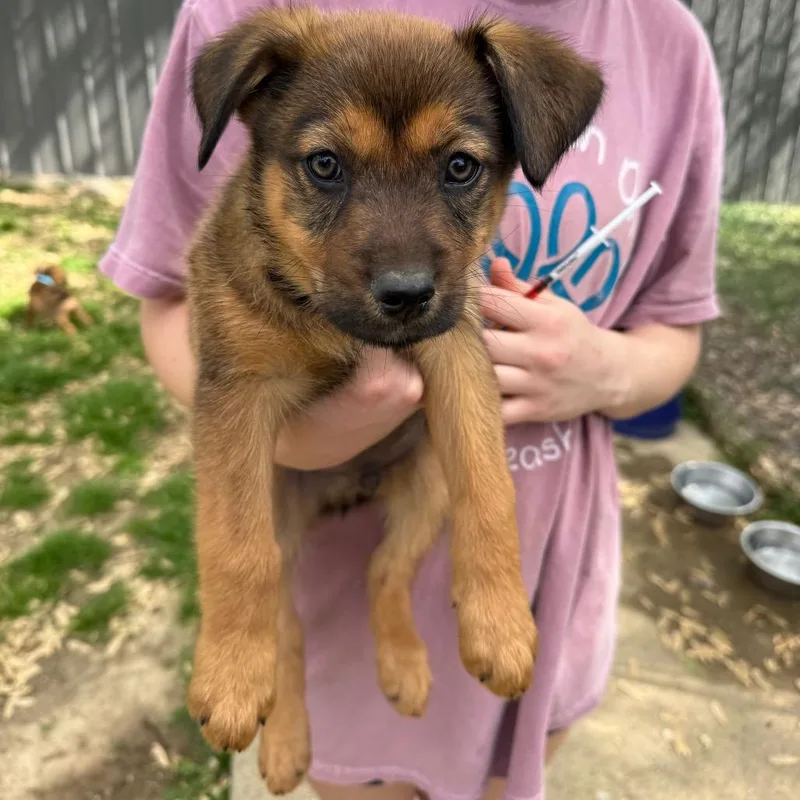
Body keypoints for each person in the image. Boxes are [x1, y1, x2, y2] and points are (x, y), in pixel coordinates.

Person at [98, 0, 725, 798]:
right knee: (273, 537)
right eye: (328, 166)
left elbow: (655, 332)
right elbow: (209, 370)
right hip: (319, 596)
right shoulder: (238, 19)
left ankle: (394, 589)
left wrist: (608, 373)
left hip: (553, 554)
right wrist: (241, 602)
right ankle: (282, 661)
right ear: (252, 118)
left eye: (458, 167)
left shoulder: (663, 42)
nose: (401, 262)